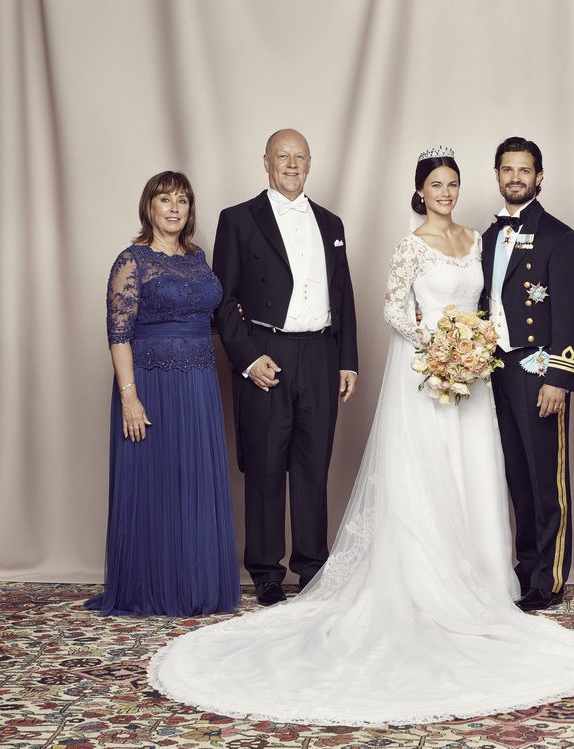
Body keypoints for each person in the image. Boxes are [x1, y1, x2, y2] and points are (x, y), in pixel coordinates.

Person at [147, 147, 574, 725]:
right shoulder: (407, 244)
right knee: (405, 476)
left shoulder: (483, 239)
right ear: (420, 191)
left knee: (478, 475)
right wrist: (441, 346)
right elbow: (395, 311)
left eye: (453, 183)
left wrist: (475, 348)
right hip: (427, 373)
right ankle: (311, 575)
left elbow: (497, 309)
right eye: (435, 184)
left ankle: (499, 580)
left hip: (475, 380)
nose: (446, 192)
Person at [212, 129, 359, 606]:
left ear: (311, 163)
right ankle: (266, 571)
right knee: (266, 465)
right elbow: (222, 300)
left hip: (319, 353)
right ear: (266, 163)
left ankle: (313, 566)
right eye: (282, 156)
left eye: (299, 156)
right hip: (266, 351)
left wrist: (347, 360)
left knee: (314, 464)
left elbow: (345, 295)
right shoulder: (237, 220)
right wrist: (248, 359)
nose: (291, 164)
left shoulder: (331, 222)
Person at [87, 171, 240, 617]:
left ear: (190, 210)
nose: (174, 208)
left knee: (194, 479)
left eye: (182, 200)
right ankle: (151, 587)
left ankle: (195, 586)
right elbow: (118, 333)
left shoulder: (198, 259)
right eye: (164, 199)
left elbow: (202, 315)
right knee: (155, 483)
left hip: (199, 383)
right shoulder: (132, 261)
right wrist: (129, 396)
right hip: (150, 384)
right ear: (149, 207)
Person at [481, 137, 574, 612]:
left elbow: (571, 313)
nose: (516, 178)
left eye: (525, 170)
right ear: (498, 175)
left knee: (547, 479)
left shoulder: (560, 238)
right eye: (508, 169)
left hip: (538, 369)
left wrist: (559, 379)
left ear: (539, 177)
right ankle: (524, 572)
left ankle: (549, 577)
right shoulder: (485, 237)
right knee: (516, 479)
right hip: (493, 373)